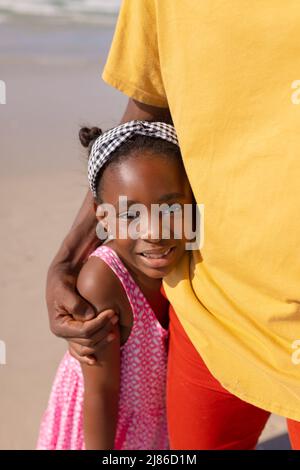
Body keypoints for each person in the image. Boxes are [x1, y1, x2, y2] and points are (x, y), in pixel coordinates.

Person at [46, 0, 300, 449]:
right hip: (213, 308)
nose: (154, 227)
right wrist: (67, 260)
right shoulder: (115, 279)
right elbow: (150, 101)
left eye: (167, 206)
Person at [38, 120, 194, 450]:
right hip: (106, 429)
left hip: (157, 423)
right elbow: (100, 393)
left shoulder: (192, 257)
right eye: (131, 215)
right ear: (103, 217)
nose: (154, 231)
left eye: (170, 208)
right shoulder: (103, 281)